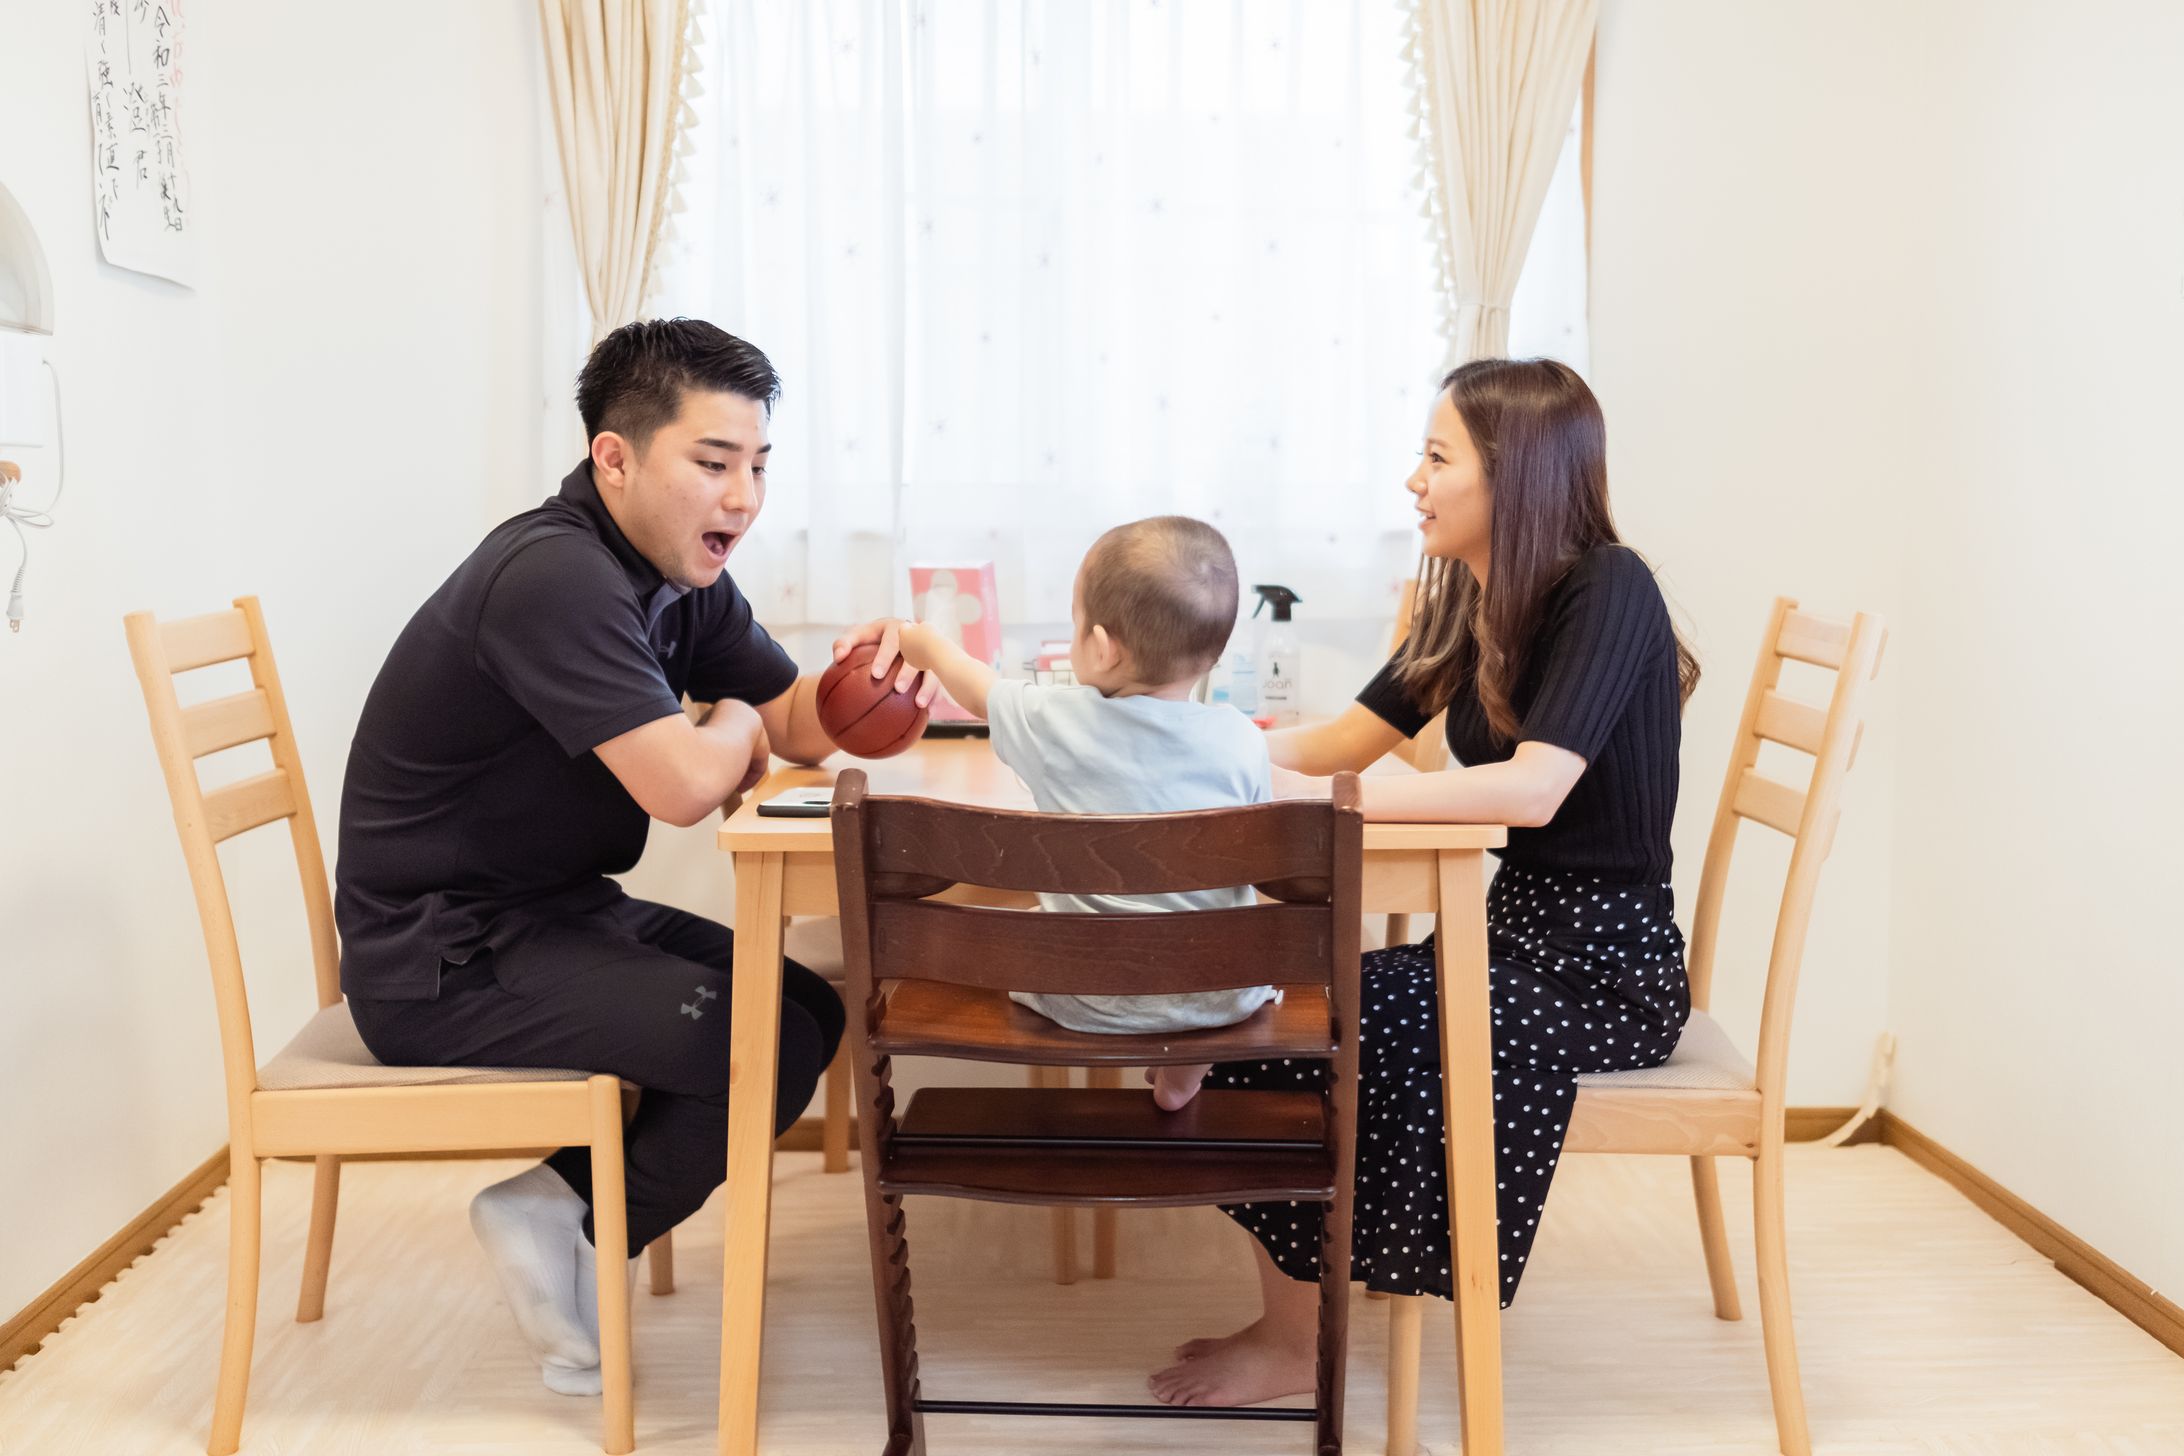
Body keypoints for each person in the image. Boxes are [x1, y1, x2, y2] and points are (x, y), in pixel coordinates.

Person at [335, 319, 916, 1393]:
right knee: (755, 1042)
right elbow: (691, 786)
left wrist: (867, 693)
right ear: (616, 456)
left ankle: (559, 1209)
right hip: (443, 955)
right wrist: (736, 726)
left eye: (757, 465)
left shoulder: (672, 569)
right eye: (712, 463)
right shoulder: (554, 576)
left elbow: (785, 717)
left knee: (811, 1011)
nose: (742, 498)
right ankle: (573, 1224)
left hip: (556, 911)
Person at [1147, 357, 1700, 1408]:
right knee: (1273, 1015)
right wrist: (1180, 743)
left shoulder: (1608, 589)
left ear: (1519, 475)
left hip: (1603, 975)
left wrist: (1309, 802)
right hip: (1503, 942)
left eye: (1438, 457)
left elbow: (1534, 788)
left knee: (1302, 1029)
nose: (1415, 479)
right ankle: (1299, 1329)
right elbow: (1351, 737)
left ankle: (1296, 1338)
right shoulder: (1473, 597)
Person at [871, 515, 1274, 1111]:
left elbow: (977, 687)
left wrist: (927, 645)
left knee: (1044, 942)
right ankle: (1187, 1065)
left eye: (1076, 620)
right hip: (1214, 999)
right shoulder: (1242, 740)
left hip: (1080, 997)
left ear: (1103, 648)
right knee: (1213, 956)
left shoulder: (1053, 721)